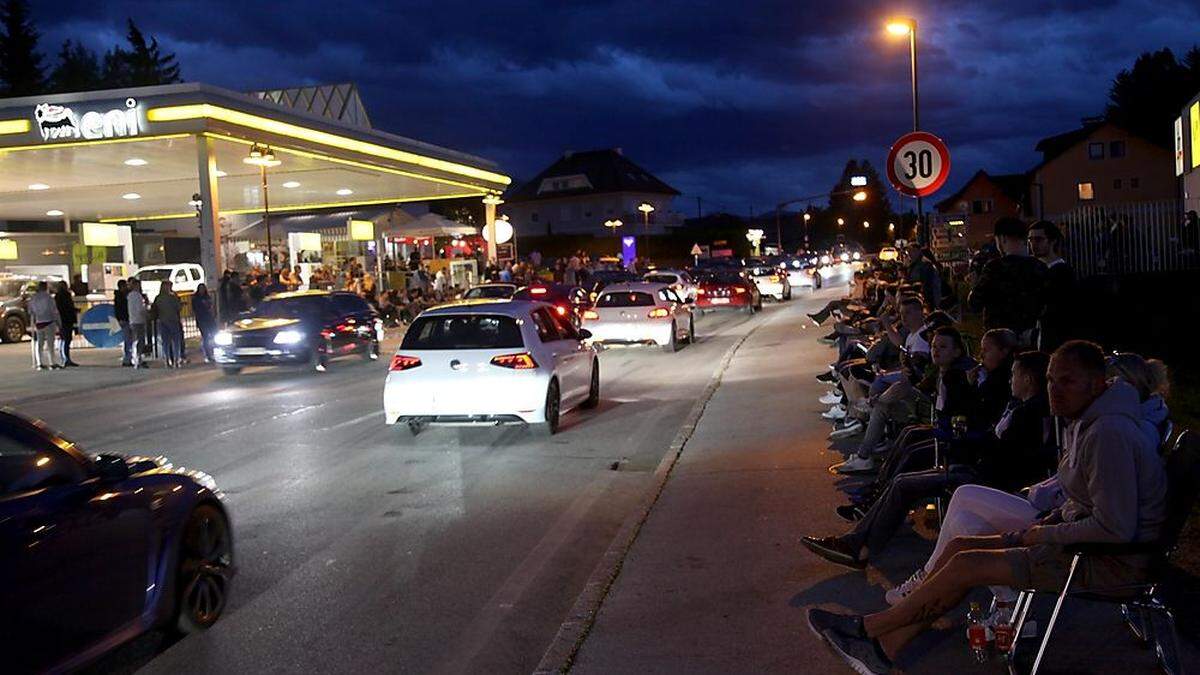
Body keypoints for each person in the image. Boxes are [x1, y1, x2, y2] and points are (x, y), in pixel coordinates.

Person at [807, 341, 1168, 675]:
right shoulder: (1092, 421)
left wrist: (1042, 532)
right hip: (1083, 546)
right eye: (1050, 379)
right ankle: (882, 649)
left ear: (1096, 384)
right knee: (960, 548)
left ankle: (868, 628)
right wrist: (1054, 519)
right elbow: (1088, 501)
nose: (1054, 389)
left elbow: (1115, 527)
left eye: (1068, 381)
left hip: (1107, 563)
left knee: (966, 563)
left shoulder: (1109, 433)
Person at [801, 350, 1054, 569]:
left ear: (1028, 380)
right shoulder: (1020, 406)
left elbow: (1003, 454)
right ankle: (858, 540)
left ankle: (858, 546)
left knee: (904, 482)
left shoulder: (1028, 414)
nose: (1011, 380)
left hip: (986, 479)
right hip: (977, 466)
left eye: (1015, 375)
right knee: (904, 474)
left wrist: (963, 444)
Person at [967, 217, 1048, 341]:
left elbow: (975, 304)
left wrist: (974, 285)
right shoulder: (1040, 267)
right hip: (1031, 338)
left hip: (1000, 341)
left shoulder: (994, 268)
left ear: (1002, 238)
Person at [1028, 220, 1075, 352]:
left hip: (1055, 340)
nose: (1033, 244)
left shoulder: (1062, 272)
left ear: (1052, 241)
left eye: (1039, 240)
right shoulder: (1034, 269)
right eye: (1030, 240)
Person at [27, 281, 61, 370]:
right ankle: (52, 362)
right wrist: (58, 322)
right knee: (50, 343)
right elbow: (54, 311)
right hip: (49, 322)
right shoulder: (49, 298)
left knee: (39, 343)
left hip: (39, 322)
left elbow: (30, 311)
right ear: (46, 287)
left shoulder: (33, 298)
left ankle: (39, 363)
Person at [54, 281, 79, 367]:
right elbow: (68, 307)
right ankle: (66, 358)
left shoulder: (57, 296)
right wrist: (74, 311)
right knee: (66, 339)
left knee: (63, 339)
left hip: (62, 319)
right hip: (67, 320)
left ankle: (64, 357)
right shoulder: (66, 295)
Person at [192, 283, 217, 363]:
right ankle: (207, 355)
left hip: (210, 319)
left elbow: (211, 306)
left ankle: (213, 353)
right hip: (202, 320)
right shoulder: (196, 299)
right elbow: (196, 310)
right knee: (205, 337)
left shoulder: (207, 297)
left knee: (214, 335)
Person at [127, 279, 150, 368]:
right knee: (140, 341)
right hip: (139, 320)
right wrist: (146, 313)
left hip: (132, 320)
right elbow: (140, 309)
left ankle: (135, 358)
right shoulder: (137, 296)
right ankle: (138, 359)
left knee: (135, 340)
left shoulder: (129, 296)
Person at [114, 279, 133, 367]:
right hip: (125, 319)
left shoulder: (118, 296)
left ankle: (128, 358)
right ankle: (127, 359)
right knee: (128, 339)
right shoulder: (123, 296)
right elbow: (124, 308)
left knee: (127, 339)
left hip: (122, 319)